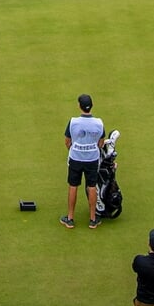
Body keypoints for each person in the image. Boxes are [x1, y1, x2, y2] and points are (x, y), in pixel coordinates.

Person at [63, 94, 106, 229]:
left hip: (76, 157)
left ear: (79, 106)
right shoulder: (99, 122)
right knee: (92, 186)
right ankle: (93, 219)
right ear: (91, 106)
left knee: (73, 185)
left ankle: (70, 218)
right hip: (92, 158)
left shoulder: (73, 122)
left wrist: (75, 148)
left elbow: (67, 141)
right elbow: (101, 142)